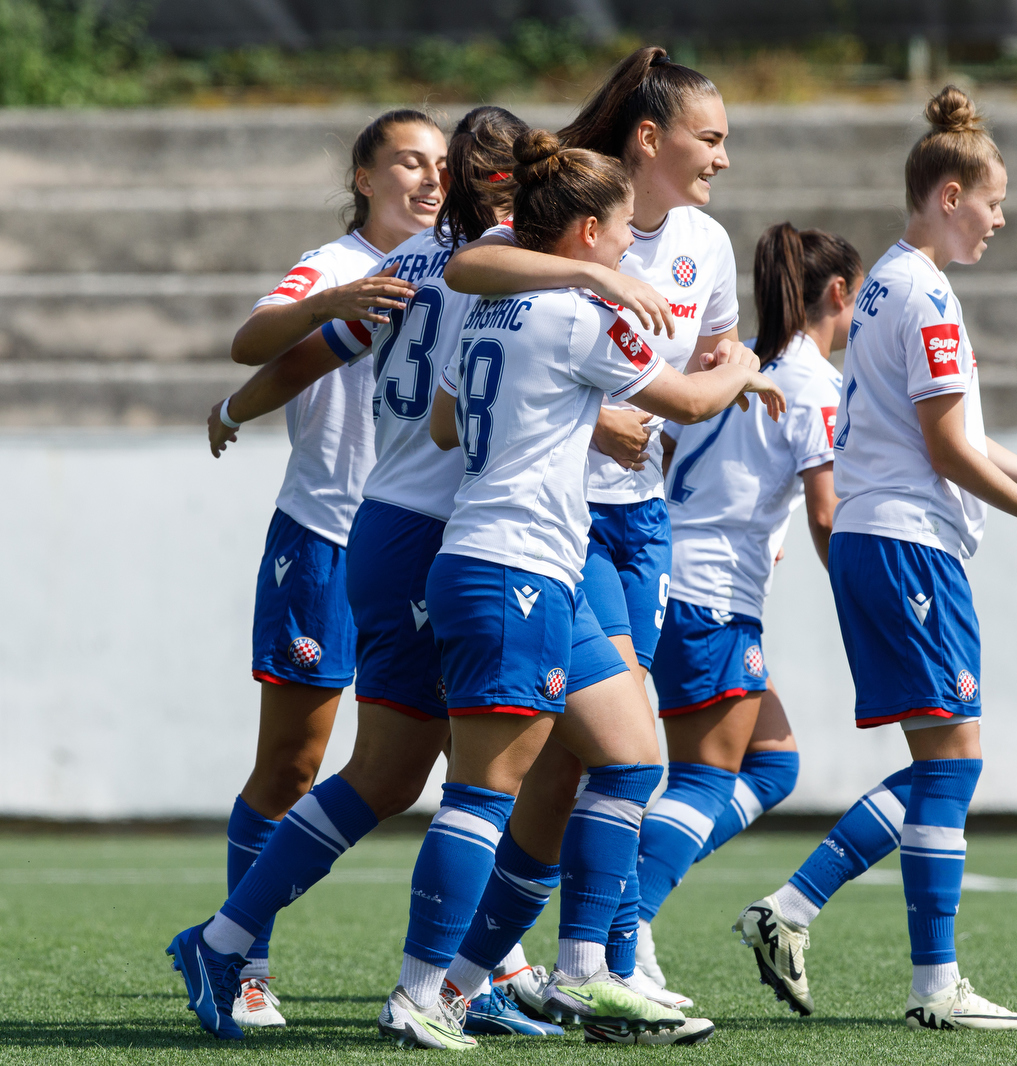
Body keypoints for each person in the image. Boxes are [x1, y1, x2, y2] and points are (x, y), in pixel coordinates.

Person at [366, 130, 781, 1050]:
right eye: (625, 229)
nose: (635, 247)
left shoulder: (494, 304)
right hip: (510, 563)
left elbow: (444, 421)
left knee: (632, 757)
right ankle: (418, 991)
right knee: (484, 790)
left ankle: (579, 972)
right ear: (588, 229)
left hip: (522, 561)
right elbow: (688, 404)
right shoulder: (579, 315)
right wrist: (752, 363)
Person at [735, 86, 1017, 1032]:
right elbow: (950, 452)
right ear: (950, 193)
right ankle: (872, 954)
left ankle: (867, 950)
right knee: (953, 763)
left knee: (942, 763)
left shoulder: (885, 284)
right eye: (995, 200)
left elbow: (950, 433)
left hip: (888, 542)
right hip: (911, 548)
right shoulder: (925, 292)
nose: (1003, 218)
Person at [441, 45, 753, 1004]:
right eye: (711, 138)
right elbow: (473, 265)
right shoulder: (580, 211)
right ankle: (588, 958)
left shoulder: (707, 241)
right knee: (612, 744)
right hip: (555, 529)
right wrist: (608, 306)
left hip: (640, 521)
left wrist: (726, 371)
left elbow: (715, 347)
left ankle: (537, 960)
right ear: (651, 137)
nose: (723, 159)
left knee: (594, 750)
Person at [202, 109, 445, 1029]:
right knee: (295, 762)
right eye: (408, 163)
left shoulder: (457, 268)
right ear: (363, 176)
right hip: (326, 536)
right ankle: (241, 963)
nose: (428, 180)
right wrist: (325, 304)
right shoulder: (339, 264)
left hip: (420, 542)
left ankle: (477, 969)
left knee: (472, 756)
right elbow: (260, 340)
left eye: (441, 167)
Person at [636, 222, 860, 1000]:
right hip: (713, 597)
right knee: (702, 779)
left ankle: (615, 909)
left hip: (671, 580)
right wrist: (865, 606)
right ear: (839, 294)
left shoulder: (731, 364)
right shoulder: (815, 385)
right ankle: (621, 931)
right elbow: (829, 515)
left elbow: (661, 449)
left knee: (774, 763)